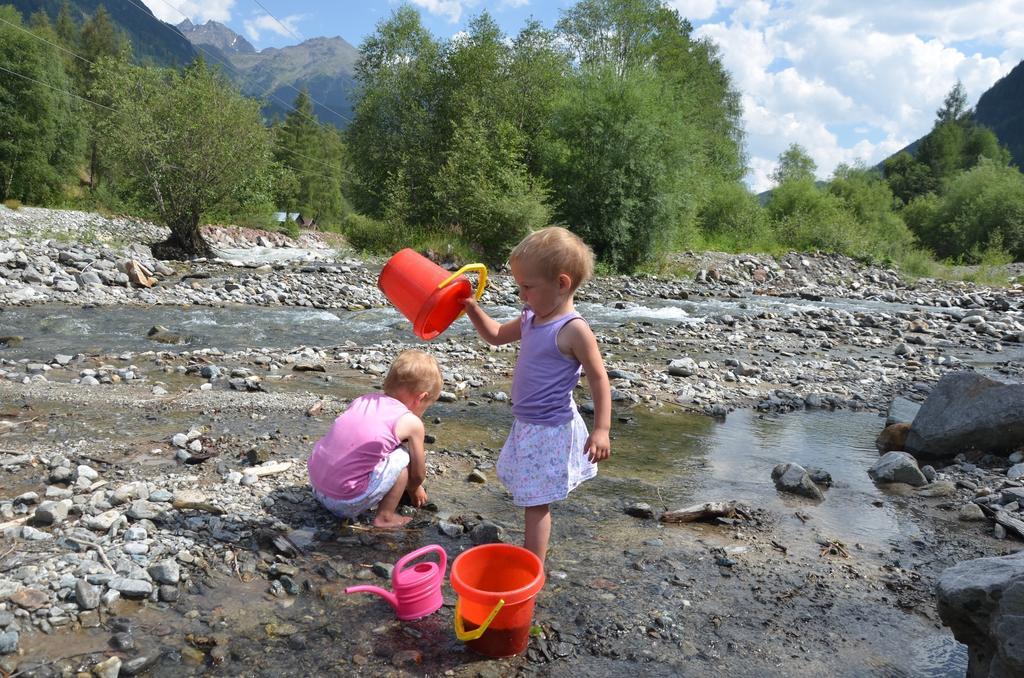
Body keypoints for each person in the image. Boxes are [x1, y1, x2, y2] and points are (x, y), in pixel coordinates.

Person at [463, 226, 611, 561]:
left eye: (527, 287)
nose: (521, 295)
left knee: (536, 502)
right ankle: (531, 562)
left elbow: (599, 379)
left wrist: (601, 429)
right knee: (528, 493)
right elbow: (497, 335)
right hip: (527, 422)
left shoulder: (573, 329)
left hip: (551, 428)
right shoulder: (531, 317)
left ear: (562, 284)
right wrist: (472, 309)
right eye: (519, 286)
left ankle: (533, 568)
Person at [307, 349, 442, 528]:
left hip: (317, 488)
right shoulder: (411, 422)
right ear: (421, 398)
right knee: (402, 456)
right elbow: (418, 474)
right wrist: (414, 488)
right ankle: (385, 517)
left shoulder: (363, 400)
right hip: (344, 502)